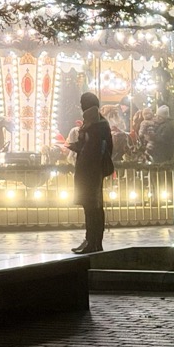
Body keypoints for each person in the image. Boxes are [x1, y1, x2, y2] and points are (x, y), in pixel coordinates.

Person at [68, 91, 113, 253]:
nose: (81, 106)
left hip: (90, 170)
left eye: (82, 103)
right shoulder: (96, 122)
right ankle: (92, 240)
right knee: (91, 205)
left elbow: (94, 148)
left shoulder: (96, 124)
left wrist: (80, 148)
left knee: (92, 206)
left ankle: (93, 240)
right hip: (91, 169)